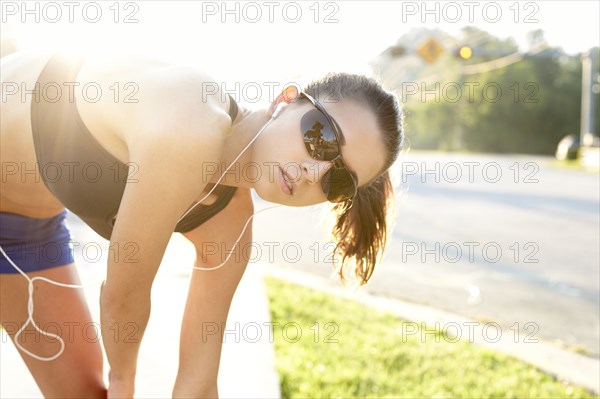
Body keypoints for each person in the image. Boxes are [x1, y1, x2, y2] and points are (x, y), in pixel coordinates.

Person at [0, 51, 404, 398]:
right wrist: (124, 382)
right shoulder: (190, 123)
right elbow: (123, 295)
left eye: (339, 180)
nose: (314, 171)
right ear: (287, 100)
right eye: (322, 137)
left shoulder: (230, 225)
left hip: (23, 233)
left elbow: (197, 383)